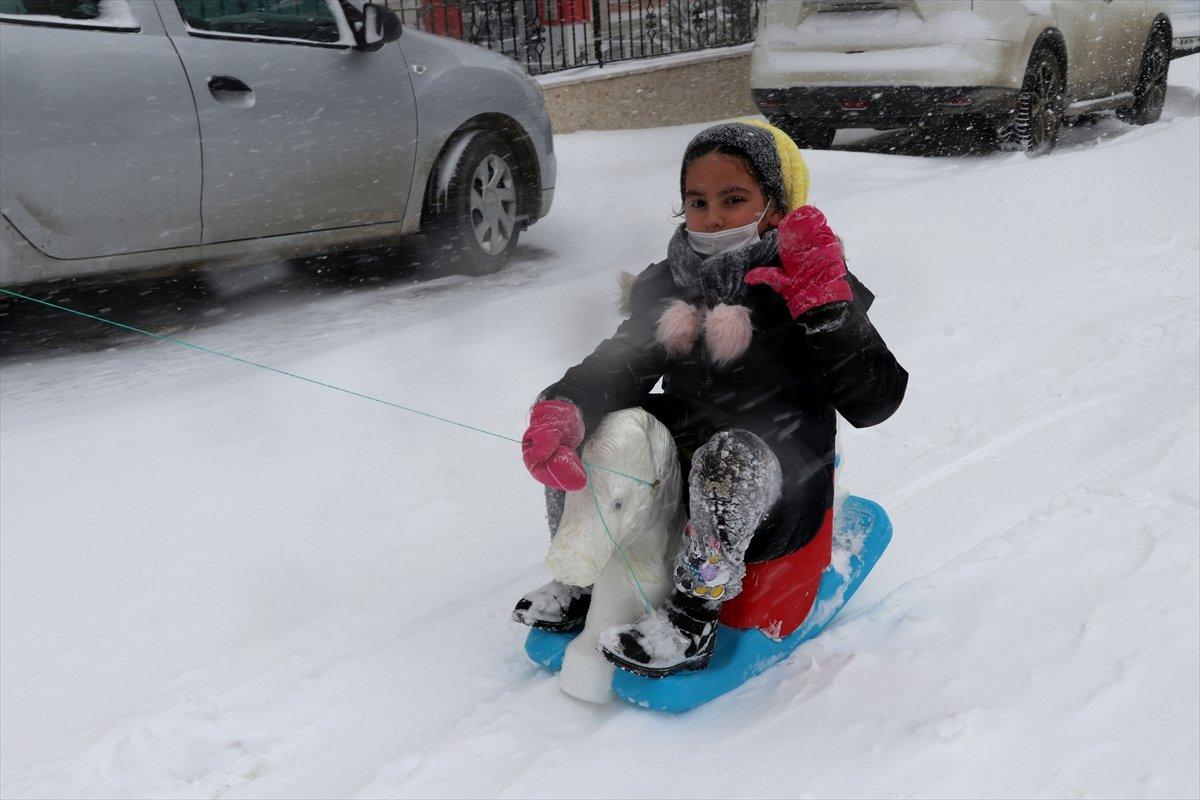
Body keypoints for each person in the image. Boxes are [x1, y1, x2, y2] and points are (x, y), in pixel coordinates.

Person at [513, 120, 908, 677]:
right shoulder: (674, 284)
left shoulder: (809, 280)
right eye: (697, 201)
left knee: (727, 461)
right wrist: (567, 405)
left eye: (734, 198)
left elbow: (876, 401)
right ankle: (583, 574)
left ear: (776, 207)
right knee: (604, 429)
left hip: (782, 467)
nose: (713, 216)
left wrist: (828, 313)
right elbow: (623, 360)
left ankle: (693, 616)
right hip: (687, 448)